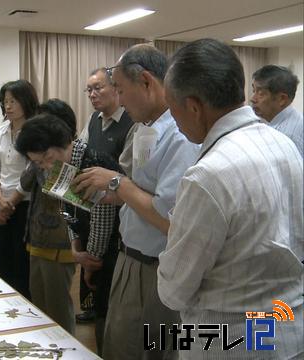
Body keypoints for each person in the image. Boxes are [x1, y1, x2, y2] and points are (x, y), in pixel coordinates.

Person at [159, 38, 303, 359]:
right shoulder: (284, 145)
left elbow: (174, 290)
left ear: (194, 107)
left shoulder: (208, 175)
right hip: (288, 326)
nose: (174, 120)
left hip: (231, 338)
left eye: (172, 108)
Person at [71, 44, 200, 359]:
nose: (121, 100)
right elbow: (134, 193)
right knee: (122, 344)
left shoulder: (178, 134)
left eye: (120, 90)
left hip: (156, 267)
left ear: (146, 82)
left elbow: (168, 219)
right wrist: (92, 189)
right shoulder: (146, 128)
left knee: (154, 350)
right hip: (130, 257)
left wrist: (116, 182)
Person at [14, 99, 122, 337]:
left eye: (45, 158)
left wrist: (90, 257)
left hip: (113, 250)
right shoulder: (58, 166)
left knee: (107, 321)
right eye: (37, 163)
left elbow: (102, 217)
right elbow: (68, 209)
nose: (43, 166)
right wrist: (75, 244)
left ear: (60, 141)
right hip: (85, 247)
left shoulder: (90, 163)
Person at [75, 68, 134, 341]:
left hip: (121, 221)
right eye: (88, 90)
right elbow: (80, 158)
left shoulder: (132, 123)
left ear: (116, 88)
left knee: (111, 293)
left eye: (98, 88)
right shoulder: (94, 121)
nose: (92, 94)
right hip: (93, 214)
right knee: (94, 284)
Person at [0, 80, 38, 299]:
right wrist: (0, 200)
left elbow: (31, 171)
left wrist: (11, 203)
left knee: (22, 261)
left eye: (13, 101)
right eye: (5, 101)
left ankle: (24, 305)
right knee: (2, 256)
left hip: (24, 204)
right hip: (1, 202)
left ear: (26, 101)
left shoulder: (34, 131)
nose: (8, 106)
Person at [250, 64, 303, 156]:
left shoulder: (289, 137)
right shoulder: (270, 123)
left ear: (282, 99)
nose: (253, 99)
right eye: (254, 91)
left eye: (261, 93)